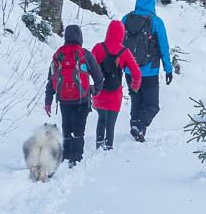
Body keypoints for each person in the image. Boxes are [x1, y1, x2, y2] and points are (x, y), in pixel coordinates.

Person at [44, 23, 102, 166]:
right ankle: (76, 159)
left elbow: (51, 80)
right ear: (80, 37)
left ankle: (66, 156)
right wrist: (94, 89)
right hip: (82, 98)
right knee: (79, 130)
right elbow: (98, 76)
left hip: (64, 99)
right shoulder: (85, 54)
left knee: (67, 128)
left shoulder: (58, 55)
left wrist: (48, 102)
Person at [122, 0, 173, 140]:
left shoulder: (126, 19)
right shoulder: (156, 22)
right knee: (152, 105)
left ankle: (136, 128)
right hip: (149, 70)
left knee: (136, 101)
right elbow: (164, 47)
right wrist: (168, 69)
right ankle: (140, 126)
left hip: (130, 70)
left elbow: (119, 44)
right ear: (152, 2)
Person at [90, 17, 142, 150]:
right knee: (110, 124)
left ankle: (98, 145)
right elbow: (136, 73)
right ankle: (108, 147)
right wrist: (134, 88)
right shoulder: (125, 52)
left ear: (108, 32)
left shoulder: (98, 48)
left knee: (101, 119)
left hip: (99, 91)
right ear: (122, 34)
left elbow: (88, 67)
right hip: (115, 93)